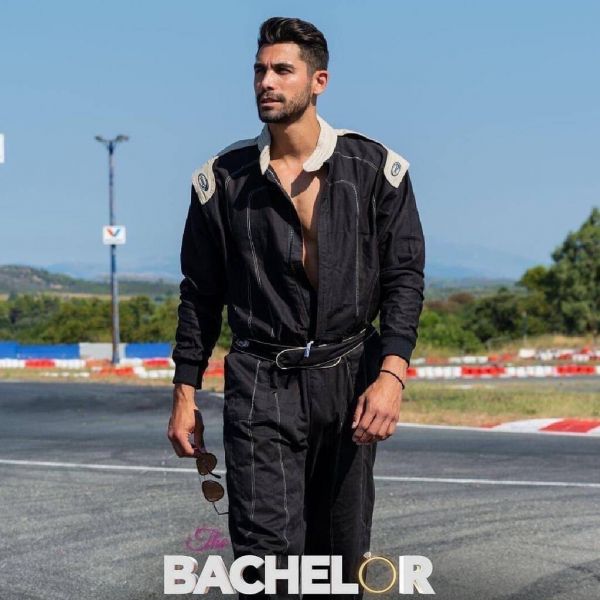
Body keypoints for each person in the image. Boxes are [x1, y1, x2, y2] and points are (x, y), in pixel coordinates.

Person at [167, 16, 425, 599]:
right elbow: (199, 294)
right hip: (261, 379)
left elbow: (404, 280)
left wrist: (391, 377)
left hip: (350, 376)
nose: (267, 82)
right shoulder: (221, 180)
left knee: (340, 560)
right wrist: (185, 393)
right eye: (260, 70)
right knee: (266, 561)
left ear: (318, 81)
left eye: (283, 70)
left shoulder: (377, 172)